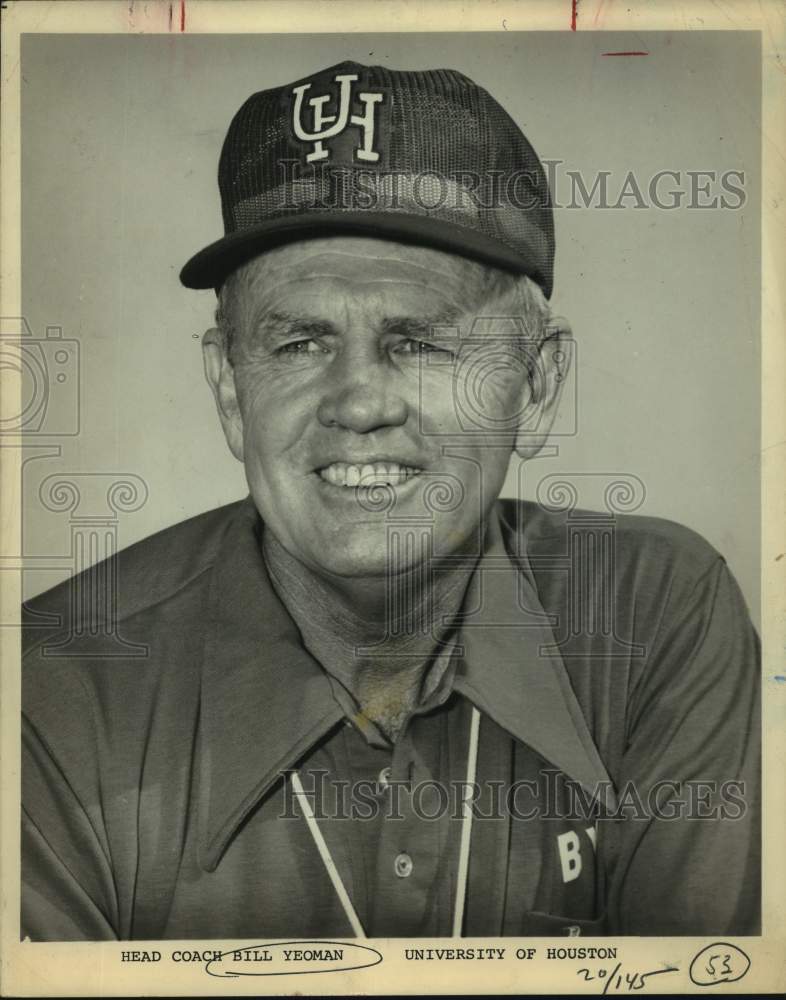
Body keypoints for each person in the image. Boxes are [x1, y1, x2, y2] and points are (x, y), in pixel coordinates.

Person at [21, 60, 760, 940]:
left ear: (539, 384)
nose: (360, 403)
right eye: (299, 342)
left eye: (422, 341)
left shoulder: (653, 615)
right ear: (229, 386)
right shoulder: (50, 687)